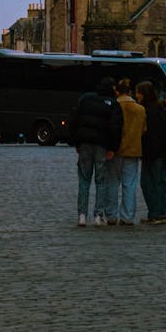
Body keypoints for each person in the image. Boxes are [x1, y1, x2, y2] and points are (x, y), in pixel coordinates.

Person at [68, 76, 123, 227]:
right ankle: (98, 216)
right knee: (101, 181)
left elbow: (74, 119)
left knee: (84, 180)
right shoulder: (113, 104)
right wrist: (113, 147)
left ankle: (82, 215)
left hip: (85, 143)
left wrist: (76, 141)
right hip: (102, 145)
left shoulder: (86, 99)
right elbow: (115, 128)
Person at [106, 78, 147, 225]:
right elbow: (143, 130)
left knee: (112, 183)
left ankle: (111, 215)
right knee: (129, 185)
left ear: (117, 91)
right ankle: (127, 216)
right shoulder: (140, 109)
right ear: (130, 92)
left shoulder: (113, 106)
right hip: (133, 150)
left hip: (115, 150)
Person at [136, 79, 166, 223]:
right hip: (159, 151)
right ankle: (158, 213)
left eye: (138, 92)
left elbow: (152, 134)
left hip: (152, 152)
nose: (136, 95)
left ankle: (155, 213)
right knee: (158, 183)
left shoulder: (148, 110)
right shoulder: (158, 107)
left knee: (150, 183)